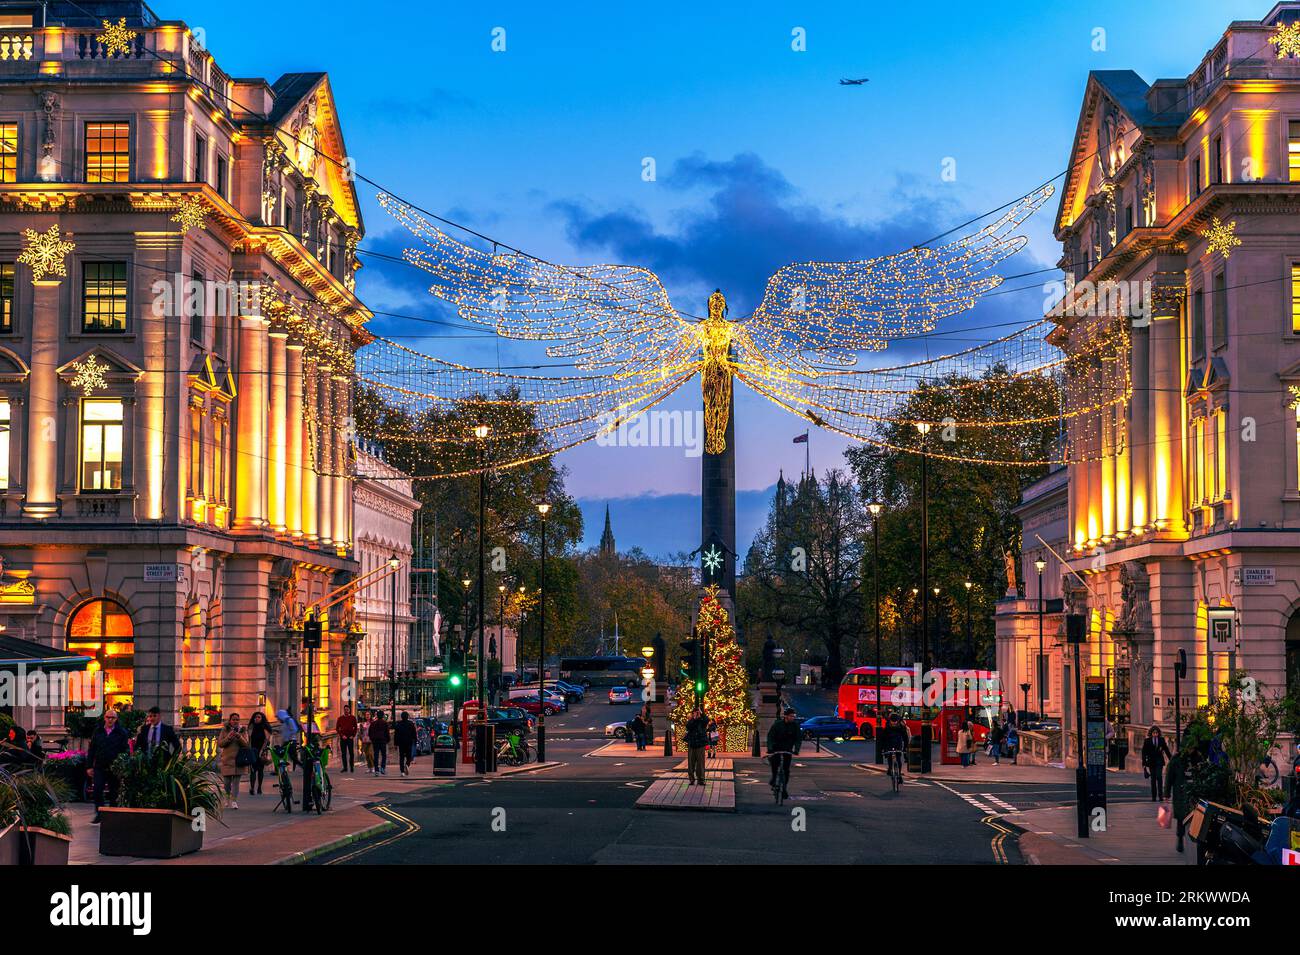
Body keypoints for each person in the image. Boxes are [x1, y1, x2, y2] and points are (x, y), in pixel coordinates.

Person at [86, 710, 130, 823]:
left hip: (114, 767)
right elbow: (92, 750)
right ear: (104, 718)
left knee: (114, 792)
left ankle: (112, 814)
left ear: (116, 719)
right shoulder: (98, 731)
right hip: (100, 766)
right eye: (108, 717)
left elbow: (125, 751)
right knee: (97, 790)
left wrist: (123, 766)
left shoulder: (121, 732)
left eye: (113, 718)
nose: (110, 720)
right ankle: (100, 814)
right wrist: (89, 766)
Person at [1164, 743, 1193, 854]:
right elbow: (1169, 777)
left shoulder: (1197, 758)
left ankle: (1188, 839)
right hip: (1180, 793)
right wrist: (1166, 794)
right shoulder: (1176, 760)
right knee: (1181, 818)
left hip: (1192, 793)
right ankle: (1180, 838)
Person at [766, 708, 802, 798]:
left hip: (787, 749)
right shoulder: (777, 725)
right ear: (786, 716)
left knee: (786, 770)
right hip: (776, 748)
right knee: (775, 764)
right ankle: (774, 778)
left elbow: (798, 739)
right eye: (791, 716)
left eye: (794, 716)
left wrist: (796, 750)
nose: (793, 718)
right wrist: (770, 748)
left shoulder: (795, 726)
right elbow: (770, 736)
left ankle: (784, 789)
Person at [216, 712, 248, 809]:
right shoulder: (225, 730)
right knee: (226, 783)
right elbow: (220, 743)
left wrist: (239, 737)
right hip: (227, 759)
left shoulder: (243, 730)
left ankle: (234, 801)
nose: (235, 721)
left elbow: (246, 744)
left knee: (236, 782)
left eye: (237, 719)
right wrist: (229, 737)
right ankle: (227, 797)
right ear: (230, 721)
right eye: (233, 719)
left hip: (239, 760)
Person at [1141, 725, 1172, 801]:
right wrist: (1144, 763)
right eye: (1154, 733)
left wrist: (1171, 759)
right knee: (1153, 779)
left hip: (1159, 761)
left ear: (1158, 733)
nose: (1155, 734)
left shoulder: (1161, 740)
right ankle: (1154, 797)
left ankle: (1161, 796)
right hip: (1151, 762)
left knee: (1159, 777)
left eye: (1156, 733)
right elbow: (1144, 752)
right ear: (1151, 733)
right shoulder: (1147, 741)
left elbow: (1166, 750)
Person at [878, 711, 910, 781]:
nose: (894, 723)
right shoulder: (887, 727)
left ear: (898, 721)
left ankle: (899, 775)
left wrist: (905, 748)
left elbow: (905, 738)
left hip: (898, 743)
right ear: (890, 721)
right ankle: (890, 768)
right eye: (893, 721)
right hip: (889, 743)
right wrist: (883, 749)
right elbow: (883, 738)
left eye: (895, 721)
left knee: (898, 759)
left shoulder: (901, 727)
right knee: (889, 756)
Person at [246, 711, 271, 795]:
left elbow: (266, 740)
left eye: (258, 717)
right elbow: (249, 739)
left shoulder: (264, 727)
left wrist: (262, 751)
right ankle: (252, 788)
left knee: (260, 770)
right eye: (255, 717)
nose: (256, 718)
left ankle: (259, 787)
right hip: (253, 750)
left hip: (261, 750)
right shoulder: (251, 727)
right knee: (253, 770)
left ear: (262, 718)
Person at [684, 707, 709, 785]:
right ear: (693, 713)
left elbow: (706, 720)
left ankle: (701, 779)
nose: (696, 713)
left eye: (697, 712)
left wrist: (701, 713)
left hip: (700, 744)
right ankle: (691, 779)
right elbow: (688, 726)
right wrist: (694, 718)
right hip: (692, 744)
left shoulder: (702, 721)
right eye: (695, 712)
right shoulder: (691, 720)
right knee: (691, 763)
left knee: (700, 763)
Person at [335, 704, 358, 773]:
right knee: (343, 753)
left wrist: (353, 735)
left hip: (350, 737)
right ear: (343, 710)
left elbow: (356, 728)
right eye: (345, 710)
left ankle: (351, 767)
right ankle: (345, 767)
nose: (346, 711)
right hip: (343, 738)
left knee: (351, 753)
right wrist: (342, 735)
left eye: (347, 710)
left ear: (349, 710)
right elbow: (337, 728)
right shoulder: (340, 718)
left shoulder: (353, 718)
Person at [393, 711, 416, 776]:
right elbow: (414, 733)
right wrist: (414, 740)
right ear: (407, 716)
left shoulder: (398, 724)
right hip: (409, 742)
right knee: (409, 756)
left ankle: (402, 771)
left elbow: (396, 735)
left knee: (401, 757)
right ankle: (407, 764)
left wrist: (395, 743)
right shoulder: (411, 724)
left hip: (401, 743)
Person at [369, 711, 391, 776]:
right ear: (383, 716)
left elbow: (370, 732)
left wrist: (372, 739)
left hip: (375, 741)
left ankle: (376, 770)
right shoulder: (385, 723)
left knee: (376, 755)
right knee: (384, 755)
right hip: (383, 741)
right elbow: (387, 733)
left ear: (377, 716)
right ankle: (382, 768)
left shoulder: (373, 723)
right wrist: (387, 740)